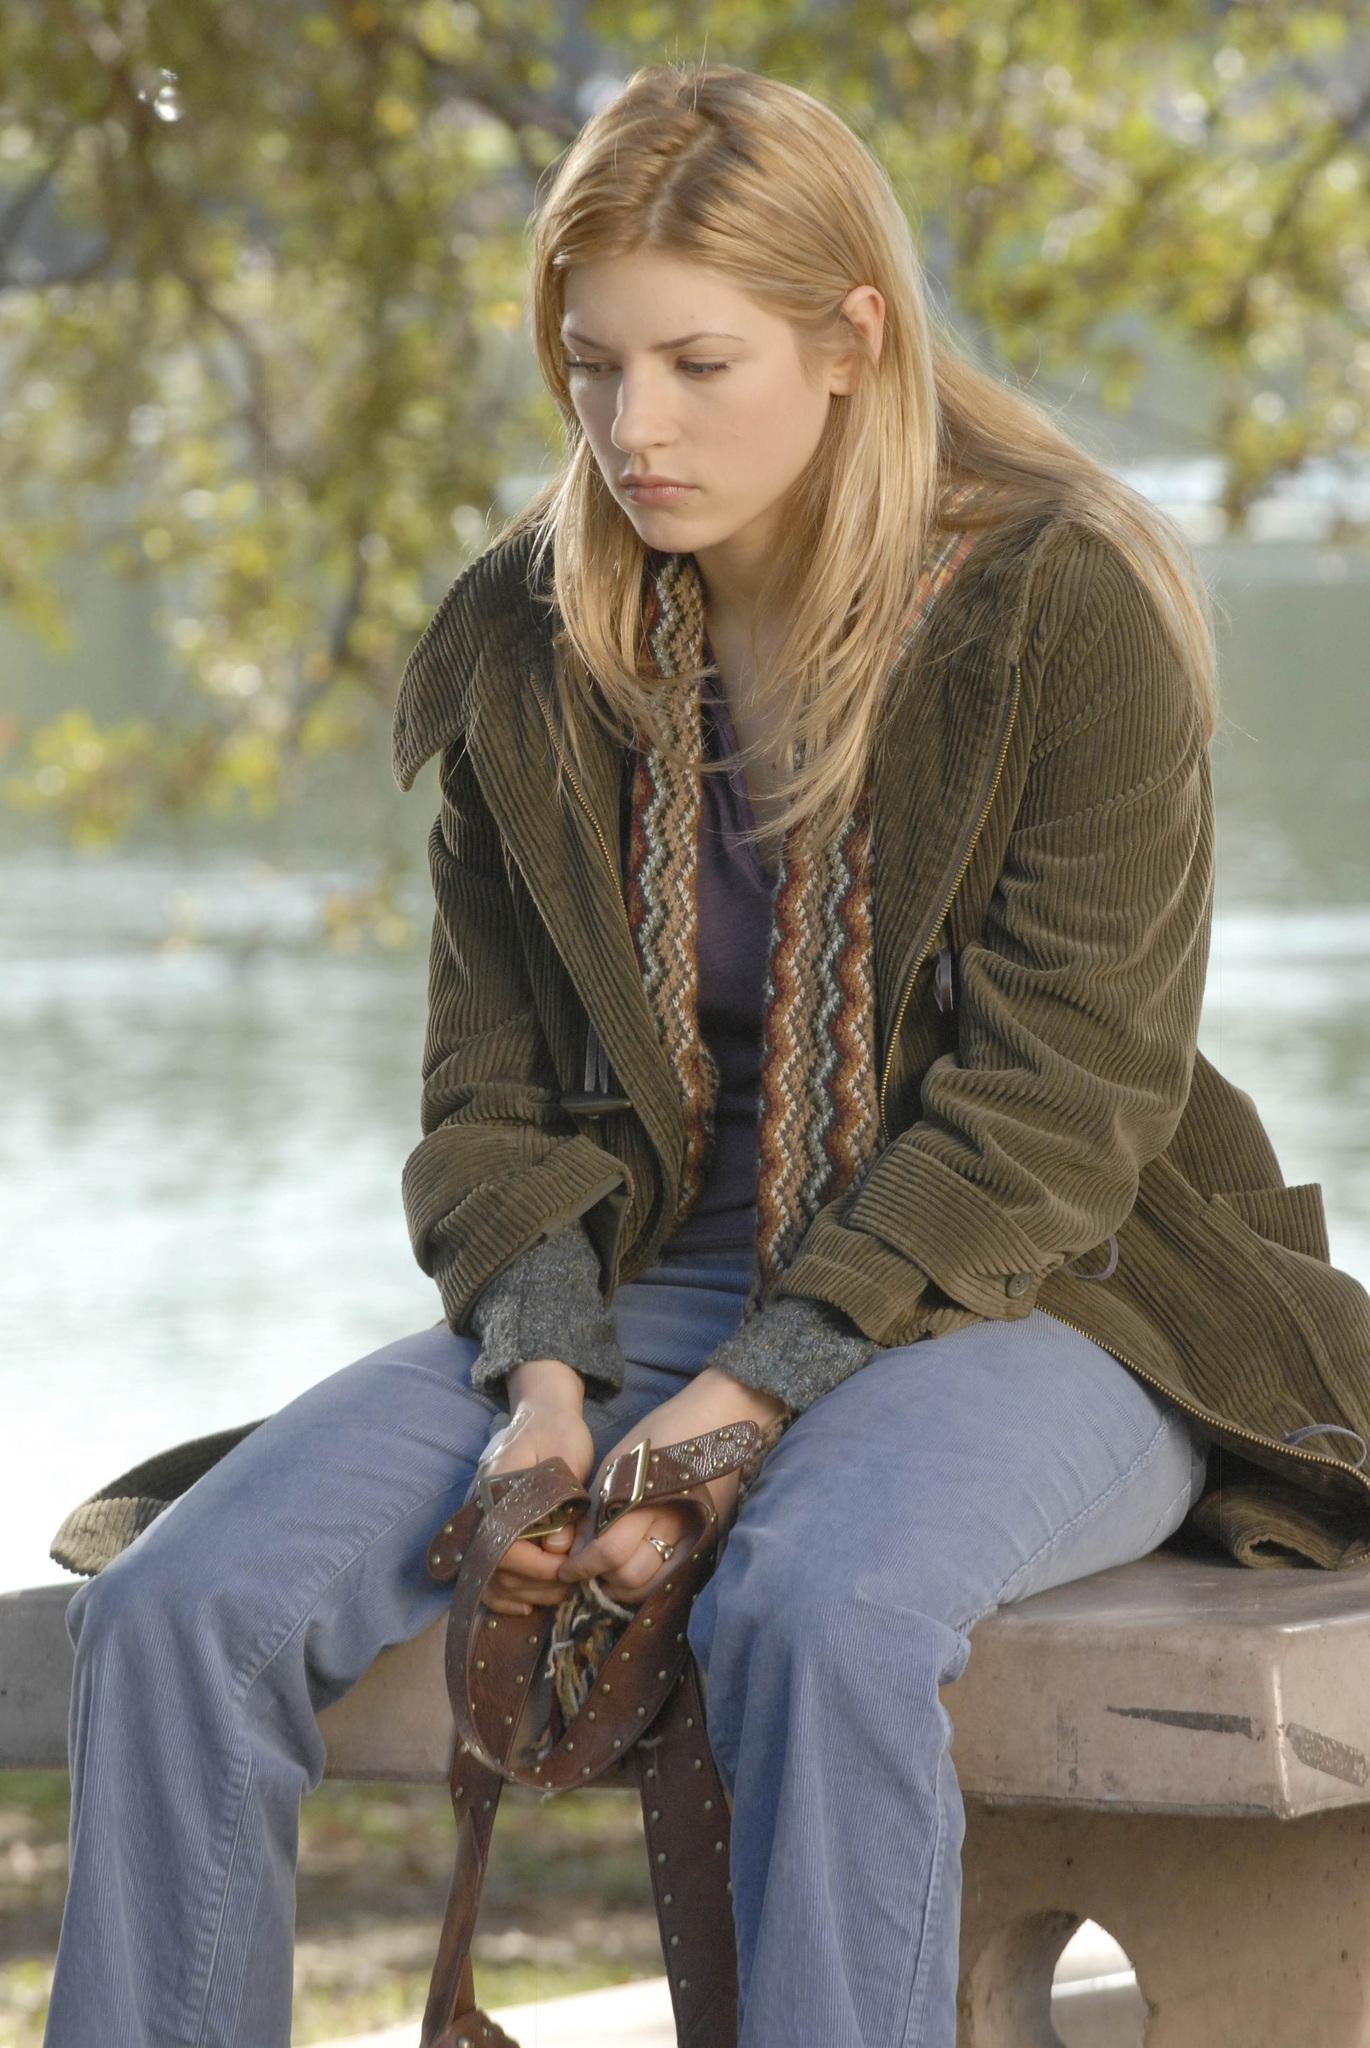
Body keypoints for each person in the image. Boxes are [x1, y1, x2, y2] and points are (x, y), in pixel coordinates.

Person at [44, 57, 1370, 2048]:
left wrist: (749, 1395)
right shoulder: (526, 638)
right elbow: (490, 1100)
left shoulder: (1057, 608)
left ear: (851, 341)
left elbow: (1057, 1110)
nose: (631, 427)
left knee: (817, 1610)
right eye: (591, 365)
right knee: (177, 1611)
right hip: (651, 1273)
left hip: (1048, 1286)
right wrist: (546, 1386)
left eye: (695, 364)